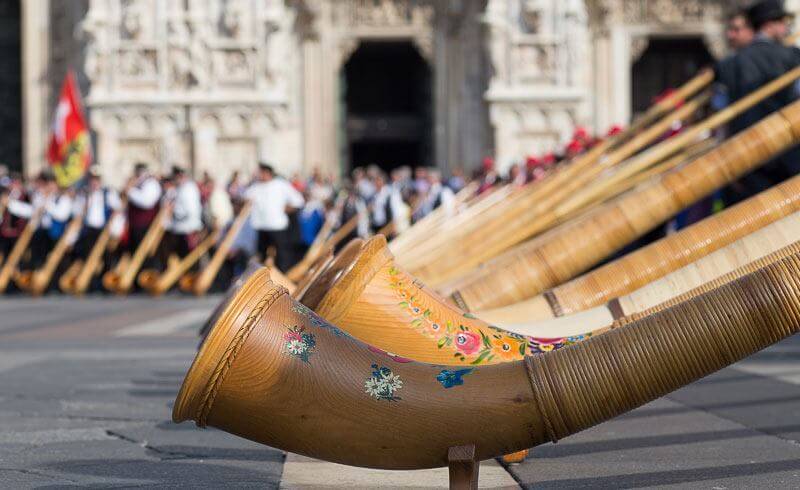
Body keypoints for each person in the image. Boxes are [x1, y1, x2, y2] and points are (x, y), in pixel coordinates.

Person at [715, 0, 800, 202]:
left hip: (746, 159)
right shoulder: (793, 57)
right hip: (789, 156)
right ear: (770, 25)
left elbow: (722, 117)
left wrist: (727, 162)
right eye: (782, 22)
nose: (785, 28)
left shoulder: (730, 64)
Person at [245, 162, 305, 271]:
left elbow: (298, 201)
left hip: (277, 227)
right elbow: (245, 200)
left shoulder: (281, 185)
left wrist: (286, 209)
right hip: (261, 228)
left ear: (268, 173)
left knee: (282, 256)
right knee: (261, 257)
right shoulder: (255, 187)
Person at [71, 167, 122, 262]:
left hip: (104, 229)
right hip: (88, 230)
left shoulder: (108, 192)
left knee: (106, 256)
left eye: (96, 179)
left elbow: (118, 208)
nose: (94, 182)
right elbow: (76, 212)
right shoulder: (84, 193)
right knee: (86, 255)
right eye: (92, 179)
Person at [164, 166, 203, 261]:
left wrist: (173, 211)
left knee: (189, 262)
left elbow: (190, 212)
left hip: (188, 231)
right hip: (179, 231)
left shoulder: (188, 189)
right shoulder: (179, 188)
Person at [125, 163, 162, 254]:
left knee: (144, 254)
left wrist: (130, 191)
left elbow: (146, 202)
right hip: (135, 225)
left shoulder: (151, 184)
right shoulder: (137, 184)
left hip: (146, 225)